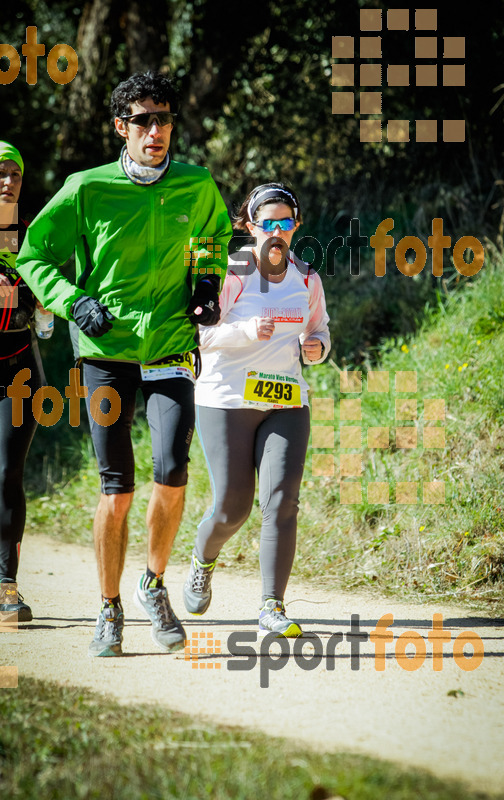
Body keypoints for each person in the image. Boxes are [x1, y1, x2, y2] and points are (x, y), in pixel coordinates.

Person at [17, 72, 233, 657]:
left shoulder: (196, 184)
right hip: (105, 354)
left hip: (167, 347)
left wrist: (207, 281)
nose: (156, 131)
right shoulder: (86, 189)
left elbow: (214, 234)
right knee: (116, 490)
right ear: (121, 127)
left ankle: (152, 585)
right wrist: (71, 301)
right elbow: (32, 254)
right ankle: (108, 608)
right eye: (143, 120)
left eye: (164, 120)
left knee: (172, 473)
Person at [183, 182, 330, 636]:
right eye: (267, 223)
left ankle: (272, 605)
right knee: (232, 508)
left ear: (296, 226)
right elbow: (200, 336)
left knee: (282, 503)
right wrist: (246, 330)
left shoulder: (307, 278)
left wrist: (316, 348)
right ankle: (202, 561)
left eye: (286, 222)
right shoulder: (229, 273)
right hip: (226, 399)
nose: (277, 231)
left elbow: (321, 331)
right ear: (250, 227)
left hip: (286, 401)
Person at [0, 141, 44, 623]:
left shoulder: (32, 236)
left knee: (7, 472)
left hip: (18, 369)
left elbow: (49, 293)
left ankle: (5, 585)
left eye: (14, 171)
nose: (7, 180)